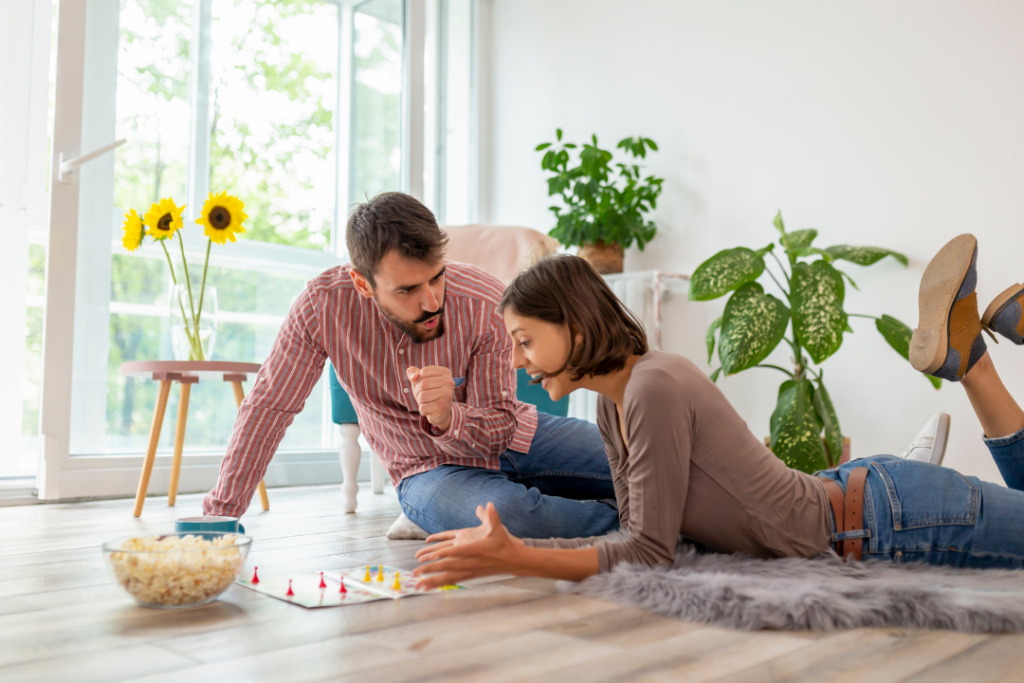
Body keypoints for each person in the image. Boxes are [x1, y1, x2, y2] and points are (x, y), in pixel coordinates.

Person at [413, 234, 1024, 589]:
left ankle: (973, 363)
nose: (519, 363)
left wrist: (518, 556)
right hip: (868, 506)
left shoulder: (653, 387)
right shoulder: (614, 402)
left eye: (524, 341)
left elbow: (649, 554)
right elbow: (642, 539)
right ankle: (972, 363)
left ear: (573, 326)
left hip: (894, 521)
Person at [203, 192, 619, 540]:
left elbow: (500, 429)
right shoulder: (322, 307)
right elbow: (268, 407)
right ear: (363, 284)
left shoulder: (482, 299)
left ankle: (646, 512)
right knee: (512, 515)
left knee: (632, 454)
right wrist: (219, 516)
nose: (432, 301)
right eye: (407, 289)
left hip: (519, 436)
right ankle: (649, 529)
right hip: (426, 471)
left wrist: (448, 417)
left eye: (436, 278)